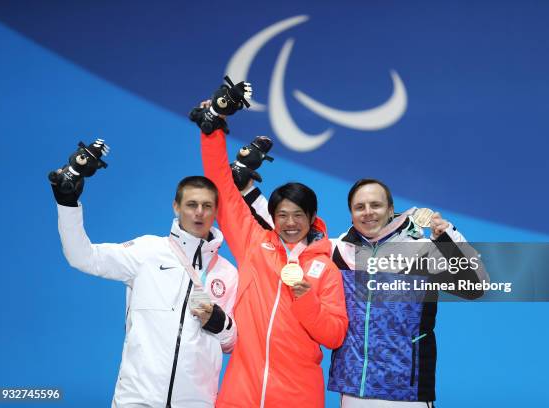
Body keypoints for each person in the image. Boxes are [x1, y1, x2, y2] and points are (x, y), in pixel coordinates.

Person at [240, 175, 487, 407]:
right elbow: (288, 223)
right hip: (353, 390)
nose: (368, 212)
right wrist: (247, 190)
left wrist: (447, 237)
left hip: (407, 391)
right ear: (351, 214)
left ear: (390, 209)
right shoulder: (337, 252)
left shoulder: (423, 250)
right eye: (360, 207)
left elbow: (476, 286)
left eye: (375, 205)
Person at [191, 87, 348, 407]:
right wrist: (213, 129)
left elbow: (334, 336)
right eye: (282, 215)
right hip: (240, 392)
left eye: (298, 215)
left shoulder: (326, 268)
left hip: (298, 396)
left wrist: (306, 298)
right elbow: (222, 185)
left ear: (313, 217)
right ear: (271, 217)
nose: (290, 223)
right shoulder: (253, 242)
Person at [51, 172, 238, 408]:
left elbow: (231, 343)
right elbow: (83, 257)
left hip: (197, 402)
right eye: (191, 204)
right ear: (176, 206)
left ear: (215, 211)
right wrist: (68, 204)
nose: (199, 212)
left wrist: (219, 322)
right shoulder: (147, 251)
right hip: (138, 399)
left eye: (206, 205)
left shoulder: (227, 273)